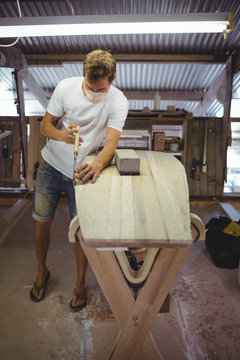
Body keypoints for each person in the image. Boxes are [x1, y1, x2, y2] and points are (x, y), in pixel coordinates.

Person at [30, 49, 128, 311]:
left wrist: (97, 164)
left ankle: (81, 282)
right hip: (51, 165)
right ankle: (42, 272)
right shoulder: (66, 87)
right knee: (42, 223)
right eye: (89, 87)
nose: (94, 94)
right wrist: (62, 135)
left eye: (101, 90)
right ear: (83, 75)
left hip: (82, 169)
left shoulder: (118, 101)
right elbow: (44, 127)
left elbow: (110, 145)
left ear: (113, 79)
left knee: (81, 232)